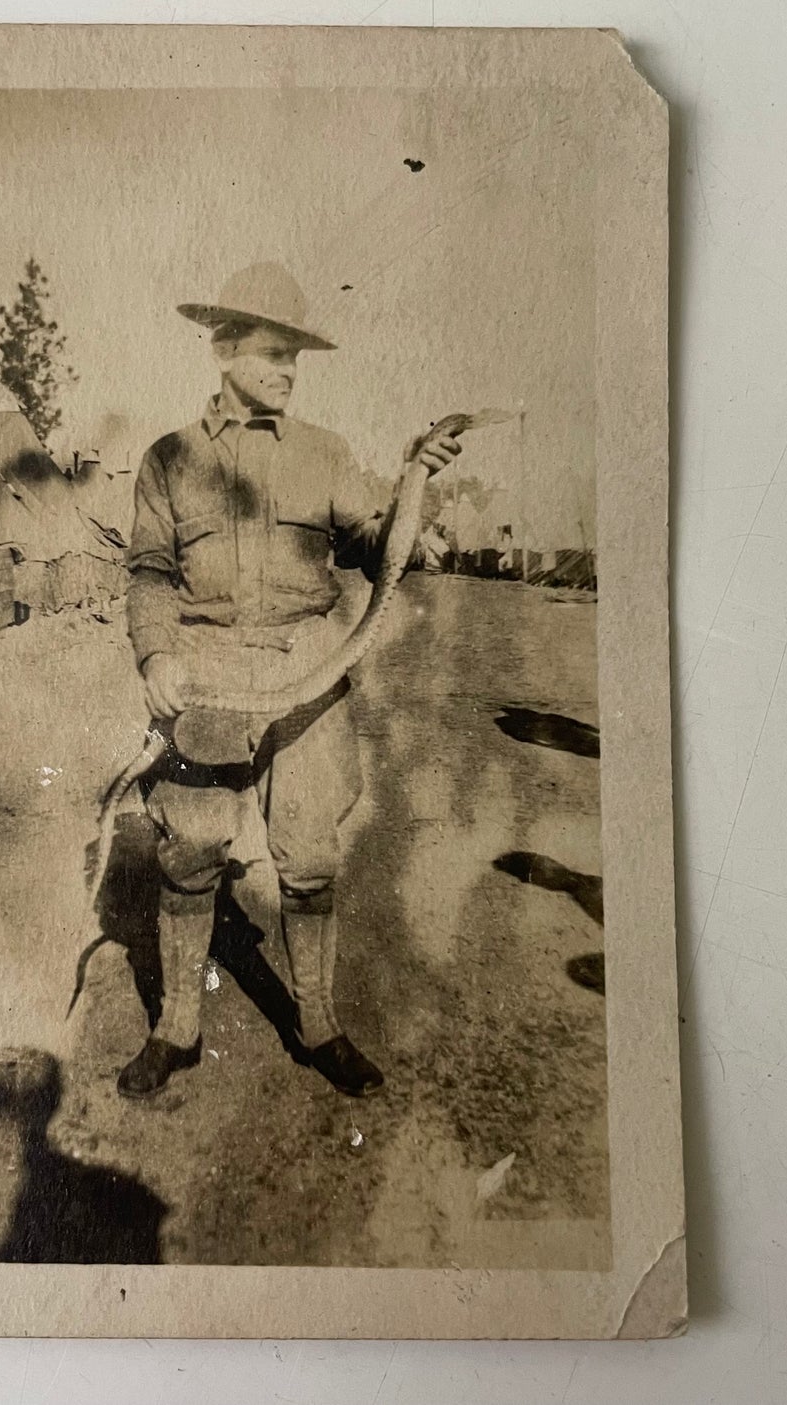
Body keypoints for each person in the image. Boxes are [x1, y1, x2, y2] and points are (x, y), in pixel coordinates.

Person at [118, 262, 462, 1100]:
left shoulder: (325, 454)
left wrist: (417, 479)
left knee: (308, 854)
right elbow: (148, 572)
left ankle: (317, 1023)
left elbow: (380, 532)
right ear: (224, 349)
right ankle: (177, 1029)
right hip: (205, 671)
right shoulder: (167, 460)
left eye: (294, 358)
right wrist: (156, 655)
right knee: (191, 848)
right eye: (272, 352)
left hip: (306, 670)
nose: (285, 370)